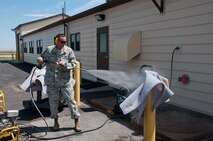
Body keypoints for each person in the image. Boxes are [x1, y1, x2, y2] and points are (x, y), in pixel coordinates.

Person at [37, 33, 81, 132]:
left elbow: (74, 63)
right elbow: (41, 58)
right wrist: (40, 60)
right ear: (56, 41)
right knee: (53, 102)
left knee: (71, 101)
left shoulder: (69, 51)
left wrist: (65, 64)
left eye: (65, 42)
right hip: (51, 81)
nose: (64, 43)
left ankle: (76, 122)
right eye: (62, 42)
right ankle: (56, 122)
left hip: (65, 81)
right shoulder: (49, 50)